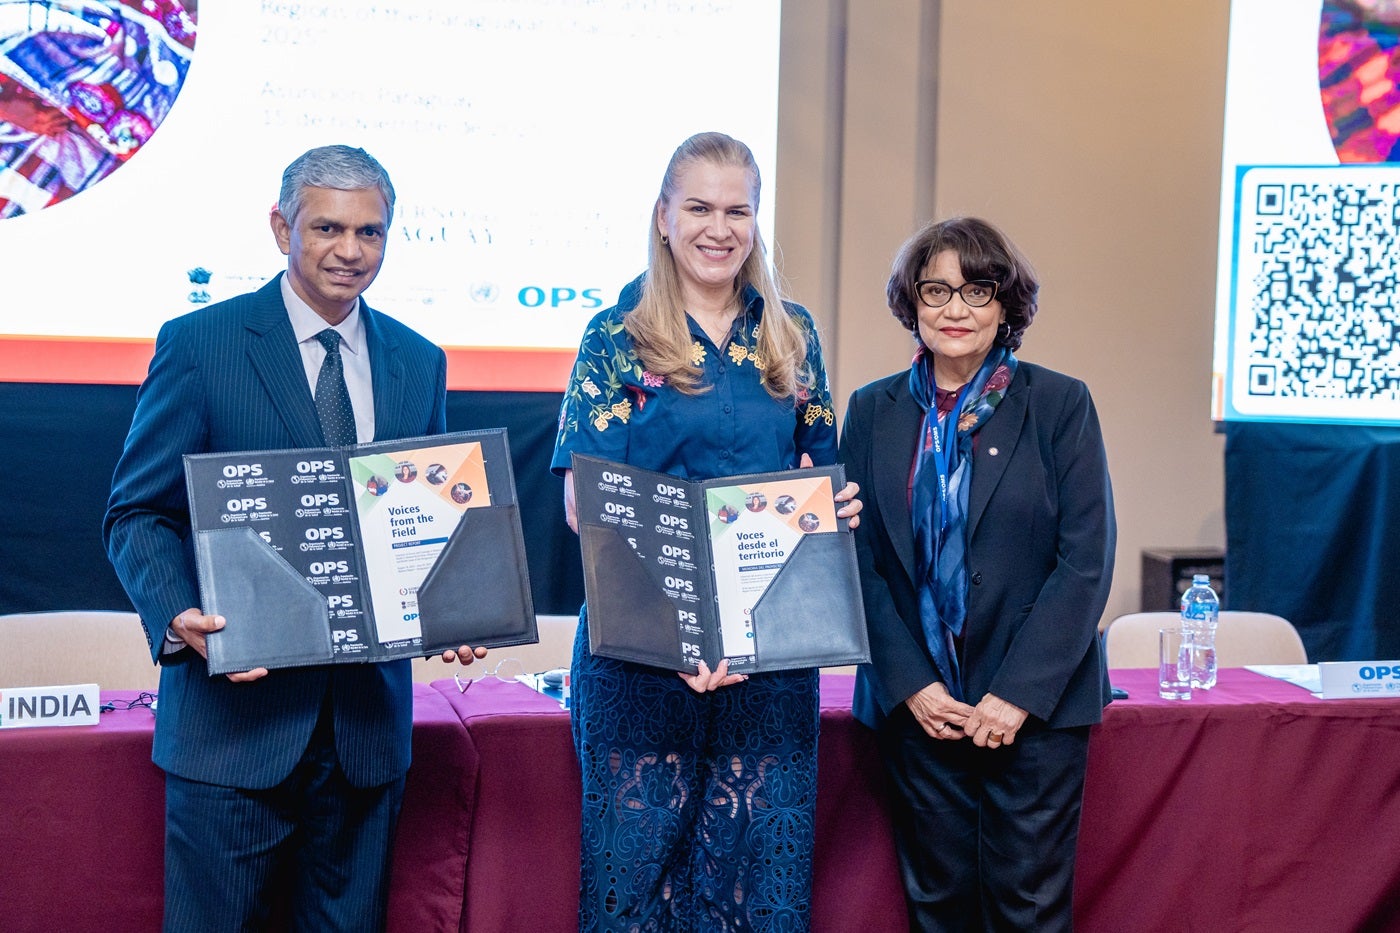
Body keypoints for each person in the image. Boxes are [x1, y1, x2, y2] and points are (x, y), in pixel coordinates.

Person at [103, 145, 484, 932]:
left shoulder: (420, 362)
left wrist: (457, 605)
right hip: (233, 731)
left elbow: (426, 523)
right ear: (283, 228)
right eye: (328, 228)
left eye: (370, 231)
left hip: (366, 736)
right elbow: (137, 514)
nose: (351, 250)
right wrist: (176, 613)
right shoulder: (200, 344)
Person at [552, 131, 861, 931]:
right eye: (698, 208)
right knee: (635, 893)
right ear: (663, 216)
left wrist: (837, 510)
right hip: (642, 660)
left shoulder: (792, 335)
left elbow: (817, 477)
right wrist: (678, 637)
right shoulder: (614, 336)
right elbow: (590, 507)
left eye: (737, 211)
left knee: (759, 892)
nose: (718, 229)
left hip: (769, 663)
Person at [839, 217, 1115, 931]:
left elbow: (1086, 560)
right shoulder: (872, 410)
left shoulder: (1059, 404)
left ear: (1005, 304)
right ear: (912, 303)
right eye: (936, 290)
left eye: (976, 290)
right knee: (938, 909)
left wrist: (1015, 695)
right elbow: (856, 561)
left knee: (1028, 911)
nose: (955, 308)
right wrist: (912, 685)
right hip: (920, 708)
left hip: (1033, 710)